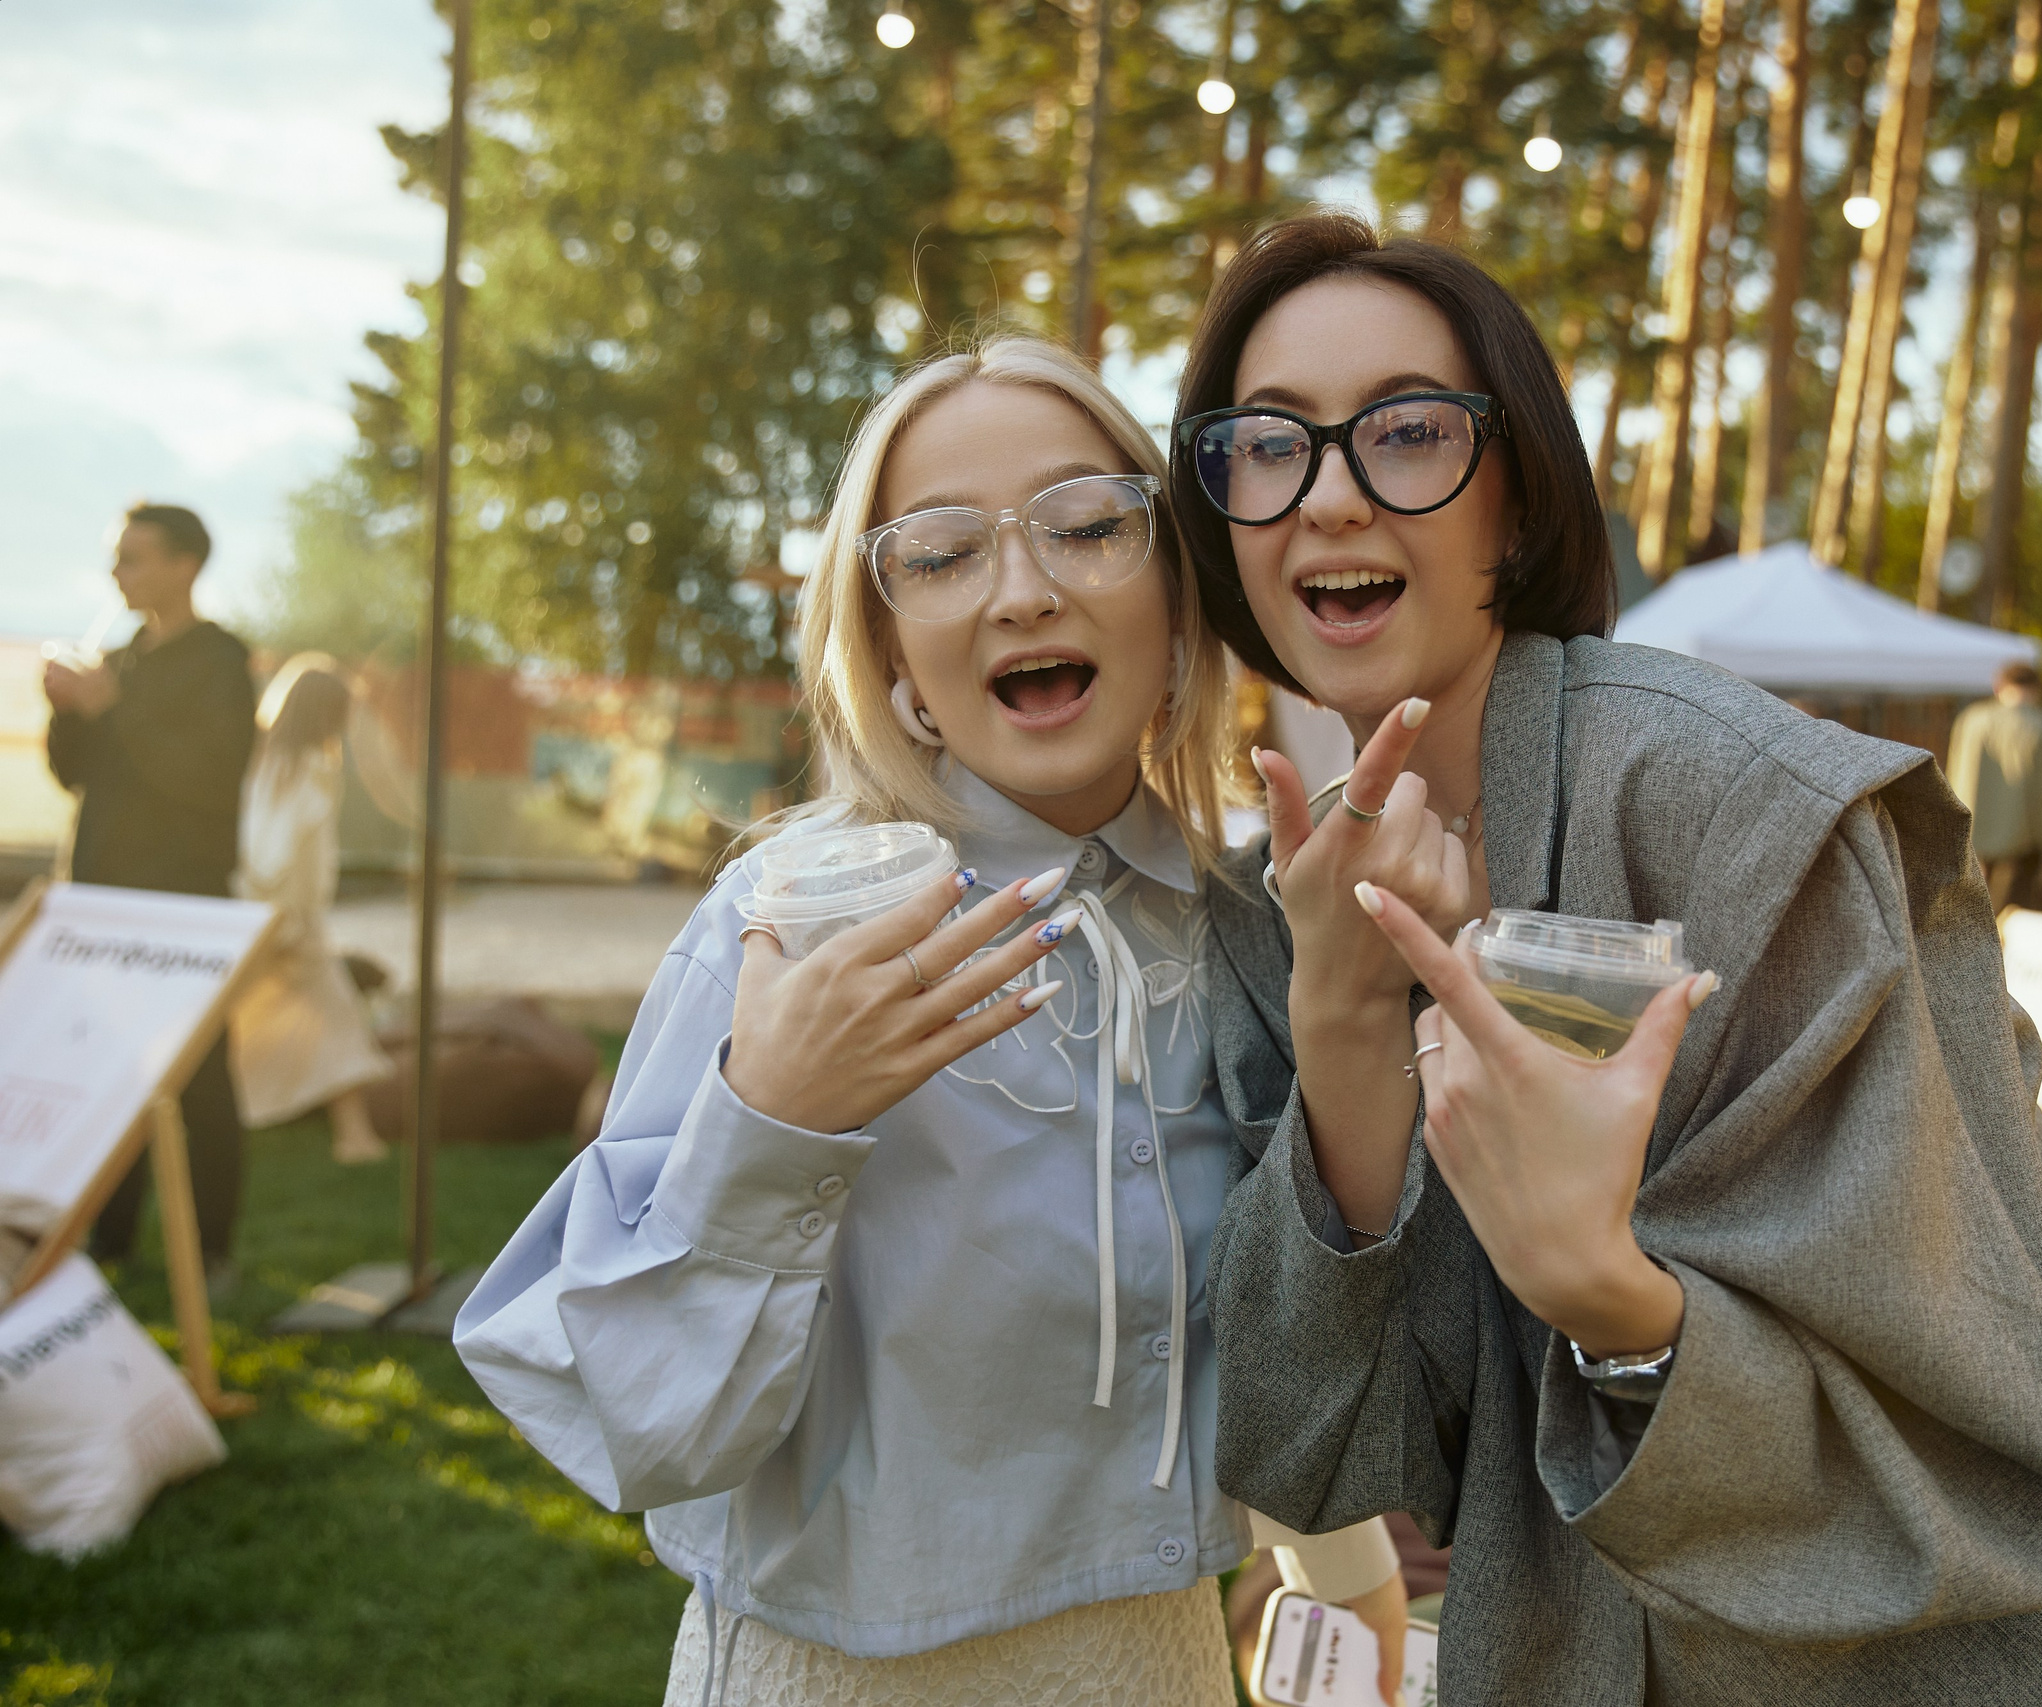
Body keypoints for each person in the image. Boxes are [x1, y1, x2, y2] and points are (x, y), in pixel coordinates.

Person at [1172, 212, 2042, 1704]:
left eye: (1407, 432)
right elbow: (1317, 1449)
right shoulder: (1288, 905)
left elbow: (1950, 1379)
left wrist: (1601, 1291)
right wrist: (1341, 1025)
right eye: (1267, 445)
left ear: (1518, 500)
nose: (1328, 495)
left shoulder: (1725, 798)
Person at [455, 337, 1404, 1707]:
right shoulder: (784, 928)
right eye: (943, 553)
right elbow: (644, 1427)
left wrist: (1343, 1565)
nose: (1023, 590)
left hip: (1159, 1664)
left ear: (1175, 593)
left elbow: (1282, 1293)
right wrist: (777, 1120)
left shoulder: (1252, 917)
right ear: (890, 642)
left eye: (1089, 525)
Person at [43, 502, 257, 1279]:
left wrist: (113, 708)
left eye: (133, 557)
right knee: (107, 1075)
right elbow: (78, 774)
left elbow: (210, 778)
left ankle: (211, 1251)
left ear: (185, 565)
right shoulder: (122, 659)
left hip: (183, 902)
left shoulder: (220, 661)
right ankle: (111, 1241)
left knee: (197, 1079)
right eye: (115, 557)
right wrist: (66, 713)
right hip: (101, 893)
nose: (117, 572)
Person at [228, 655, 394, 1163]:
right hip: (287, 922)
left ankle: (338, 1131)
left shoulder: (254, 763)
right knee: (336, 1018)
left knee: (249, 1016)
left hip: (253, 914)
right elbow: (278, 854)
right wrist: (294, 918)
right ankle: (354, 1137)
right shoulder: (308, 771)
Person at [1944, 661, 2042, 913]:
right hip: (2021, 846)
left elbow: (1952, 778)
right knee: (2009, 923)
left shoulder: (1971, 720)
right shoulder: (2039, 725)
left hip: (1969, 840)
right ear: (2036, 690)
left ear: (1998, 687)